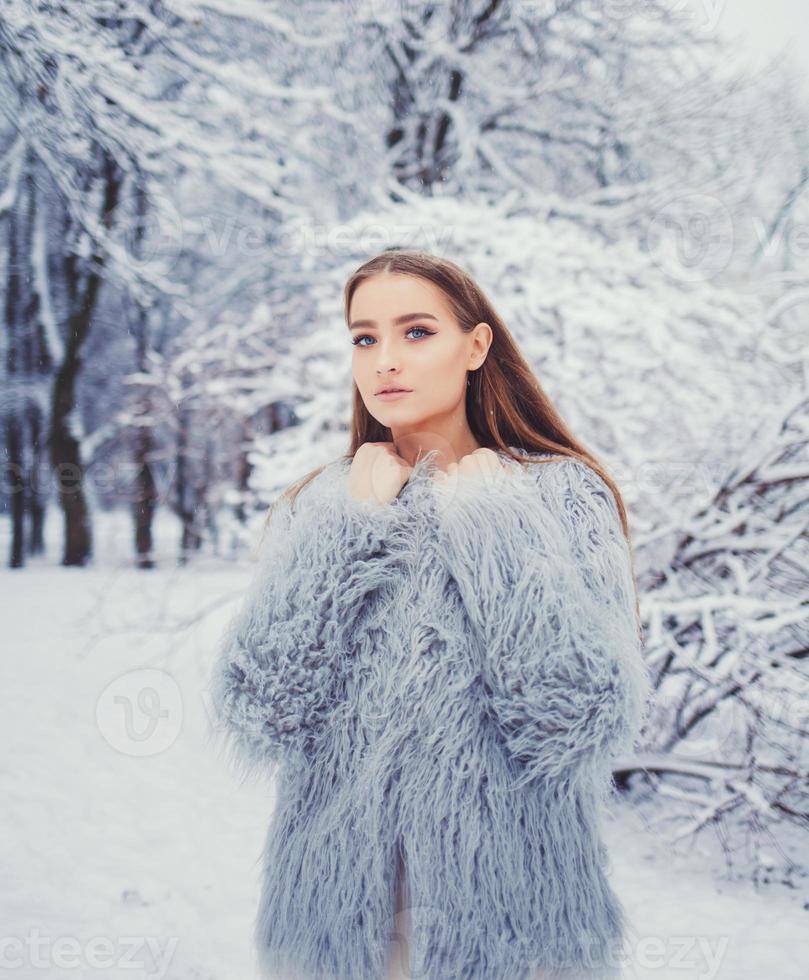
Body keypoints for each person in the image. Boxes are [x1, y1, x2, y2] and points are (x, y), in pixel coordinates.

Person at [209, 248, 652, 980]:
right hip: (333, 934)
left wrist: (491, 525)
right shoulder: (320, 502)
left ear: (475, 345)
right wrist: (347, 532)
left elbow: (574, 717)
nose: (385, 360)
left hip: (519, 932)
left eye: (416, 332)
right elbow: (261, 707)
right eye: (363, 337)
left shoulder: (561, 496)